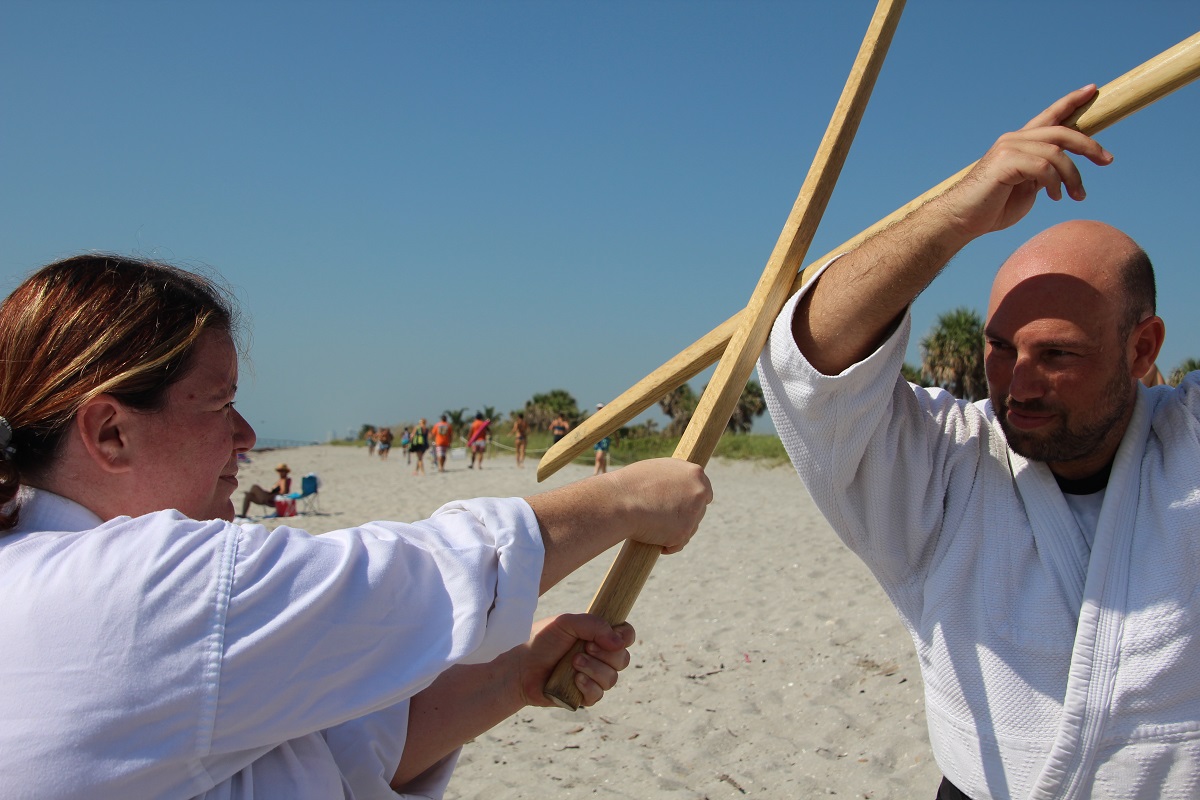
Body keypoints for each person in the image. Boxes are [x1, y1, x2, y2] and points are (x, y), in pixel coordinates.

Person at [0, 254, 714, 799]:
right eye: (219, 404)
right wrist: (625, 498)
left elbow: (317, 754)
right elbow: (412, 576)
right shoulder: (128, 593)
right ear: (111, 433)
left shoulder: (35, 567)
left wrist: (512, 676)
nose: (246, 435)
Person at [758, 85, 1198, 799]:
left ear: (1142, 348)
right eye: (999, 347)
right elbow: (809, 365)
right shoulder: (947, 464)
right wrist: (959, 212)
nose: (1017, 384)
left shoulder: (1188, 446)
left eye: (1057, 354)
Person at [593, 404, 610, 475]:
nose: (599, 409)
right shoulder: (594, 418)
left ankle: (595, 473)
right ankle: (604, 473)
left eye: (601, 408)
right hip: (597, 439)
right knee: (601, 458)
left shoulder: (607, 418)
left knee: (599, 457)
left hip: (604, 439)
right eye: (598, 408)